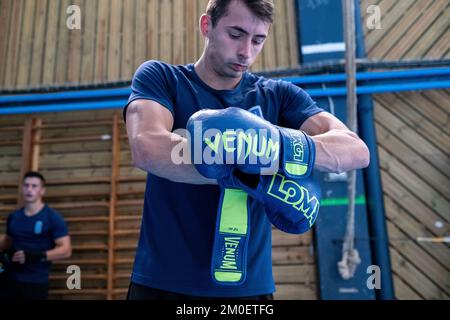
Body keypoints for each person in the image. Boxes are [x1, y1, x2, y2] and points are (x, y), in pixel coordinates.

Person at [124, 0, 370, 300]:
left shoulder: (278, 96)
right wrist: (249, 172)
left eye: (258, 40)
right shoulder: (163, 78)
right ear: (207, 26)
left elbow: (356, 150)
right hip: (162, 285)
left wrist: (276, 146)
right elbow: (146, 147)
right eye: (235, 34)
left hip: (249, 290)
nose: (246, 51)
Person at [0, 171, 72, 300]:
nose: (29, 189)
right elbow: (7, 242)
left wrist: (36, 256)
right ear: (22, 188)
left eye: (34, 186)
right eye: (26, 185)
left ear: (42, 191)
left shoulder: (52, 217)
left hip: (35, 281)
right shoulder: (14, 217)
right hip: (10, 279)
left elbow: (66, 251)